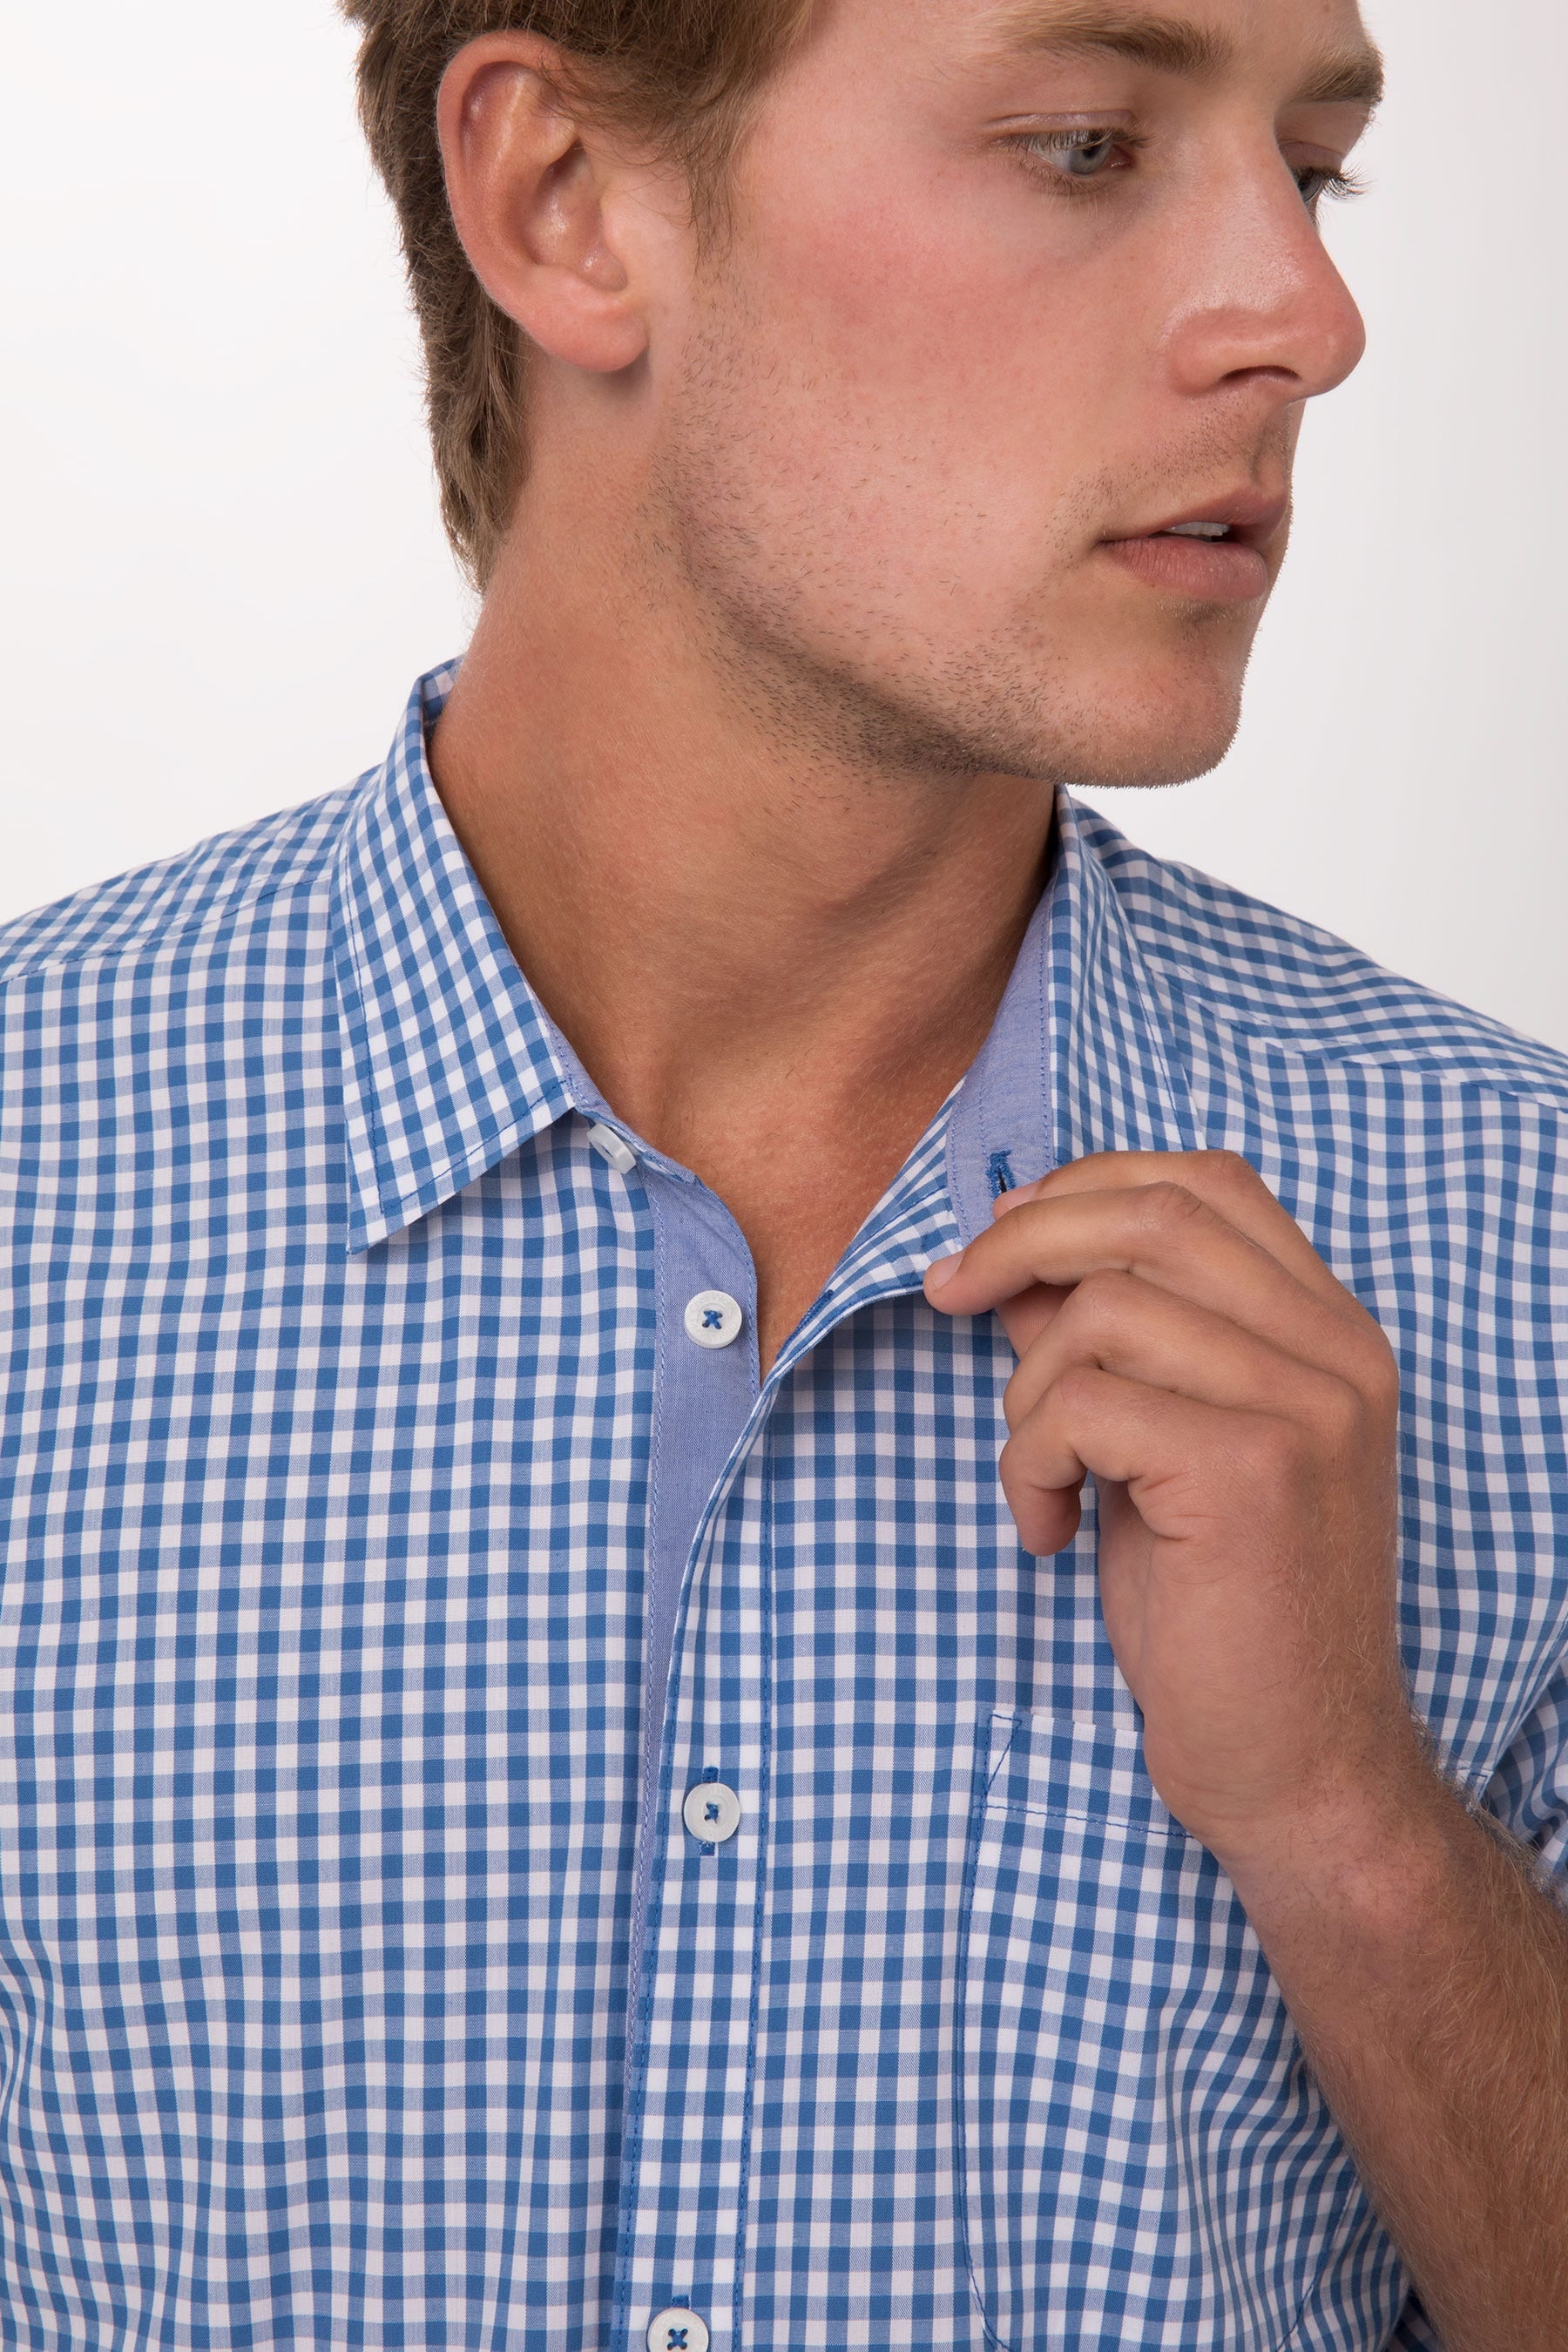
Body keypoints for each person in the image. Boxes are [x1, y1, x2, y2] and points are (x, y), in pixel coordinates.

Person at [1, 0, 1564, 2345]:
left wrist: (1360, 1834)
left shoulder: (1524, 1245)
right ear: (563, 202)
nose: (1309, 319)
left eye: (1314, 166)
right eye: (1085, 145)